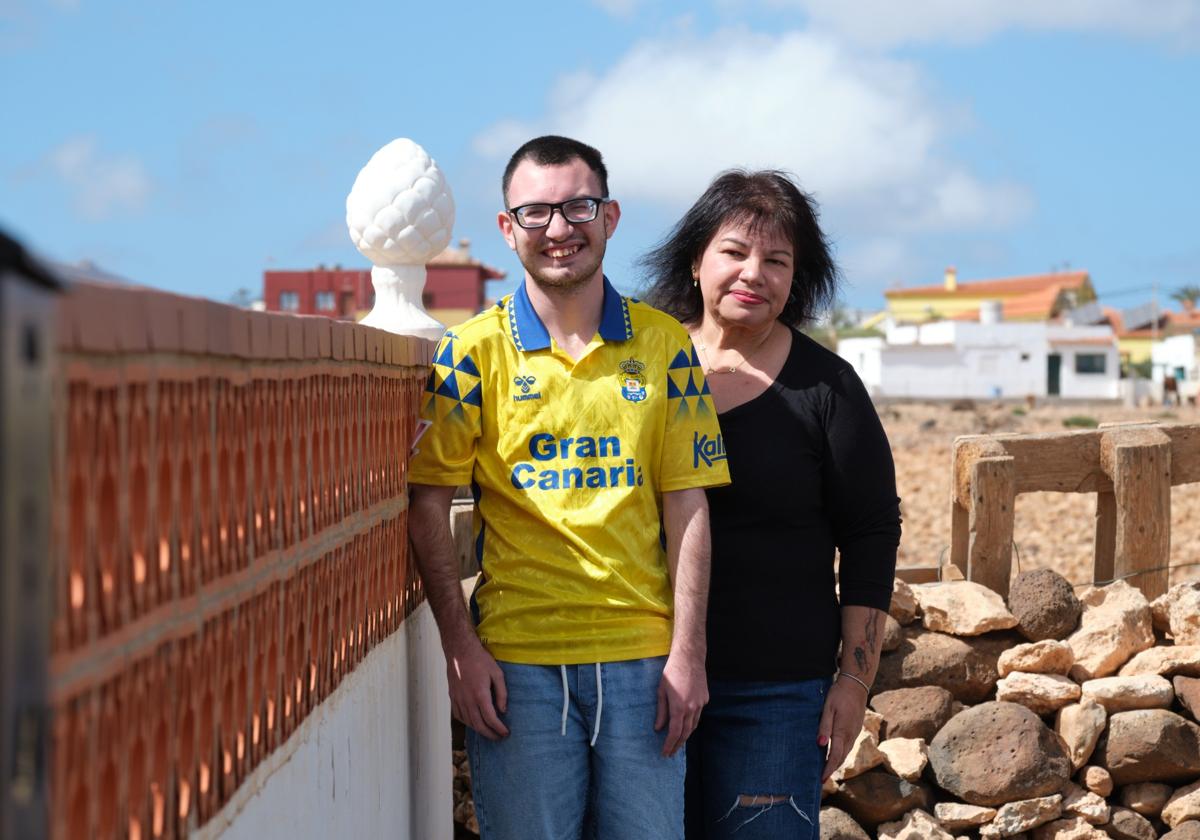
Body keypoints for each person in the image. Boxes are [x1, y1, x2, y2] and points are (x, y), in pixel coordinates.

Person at [407, 136, 731, 840]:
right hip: (516, 668)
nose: (559, 229)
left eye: (578, 207)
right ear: (507, 228)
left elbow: (689, 504)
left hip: (646, 669)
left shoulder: (666, 345)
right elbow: (428, 503)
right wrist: (458, 648)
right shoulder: (470, 355)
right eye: (536, 213)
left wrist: (689, 653)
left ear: (610, 216)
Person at [642, 170, 901, 839]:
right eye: (734, 252)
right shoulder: (639, 371)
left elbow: (871, 532)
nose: (753, 273)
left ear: (798, 278)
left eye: (777, 260)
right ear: (696, 258)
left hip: (775, 697)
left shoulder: (828, 388)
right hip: (638, 679)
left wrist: (852, 683)